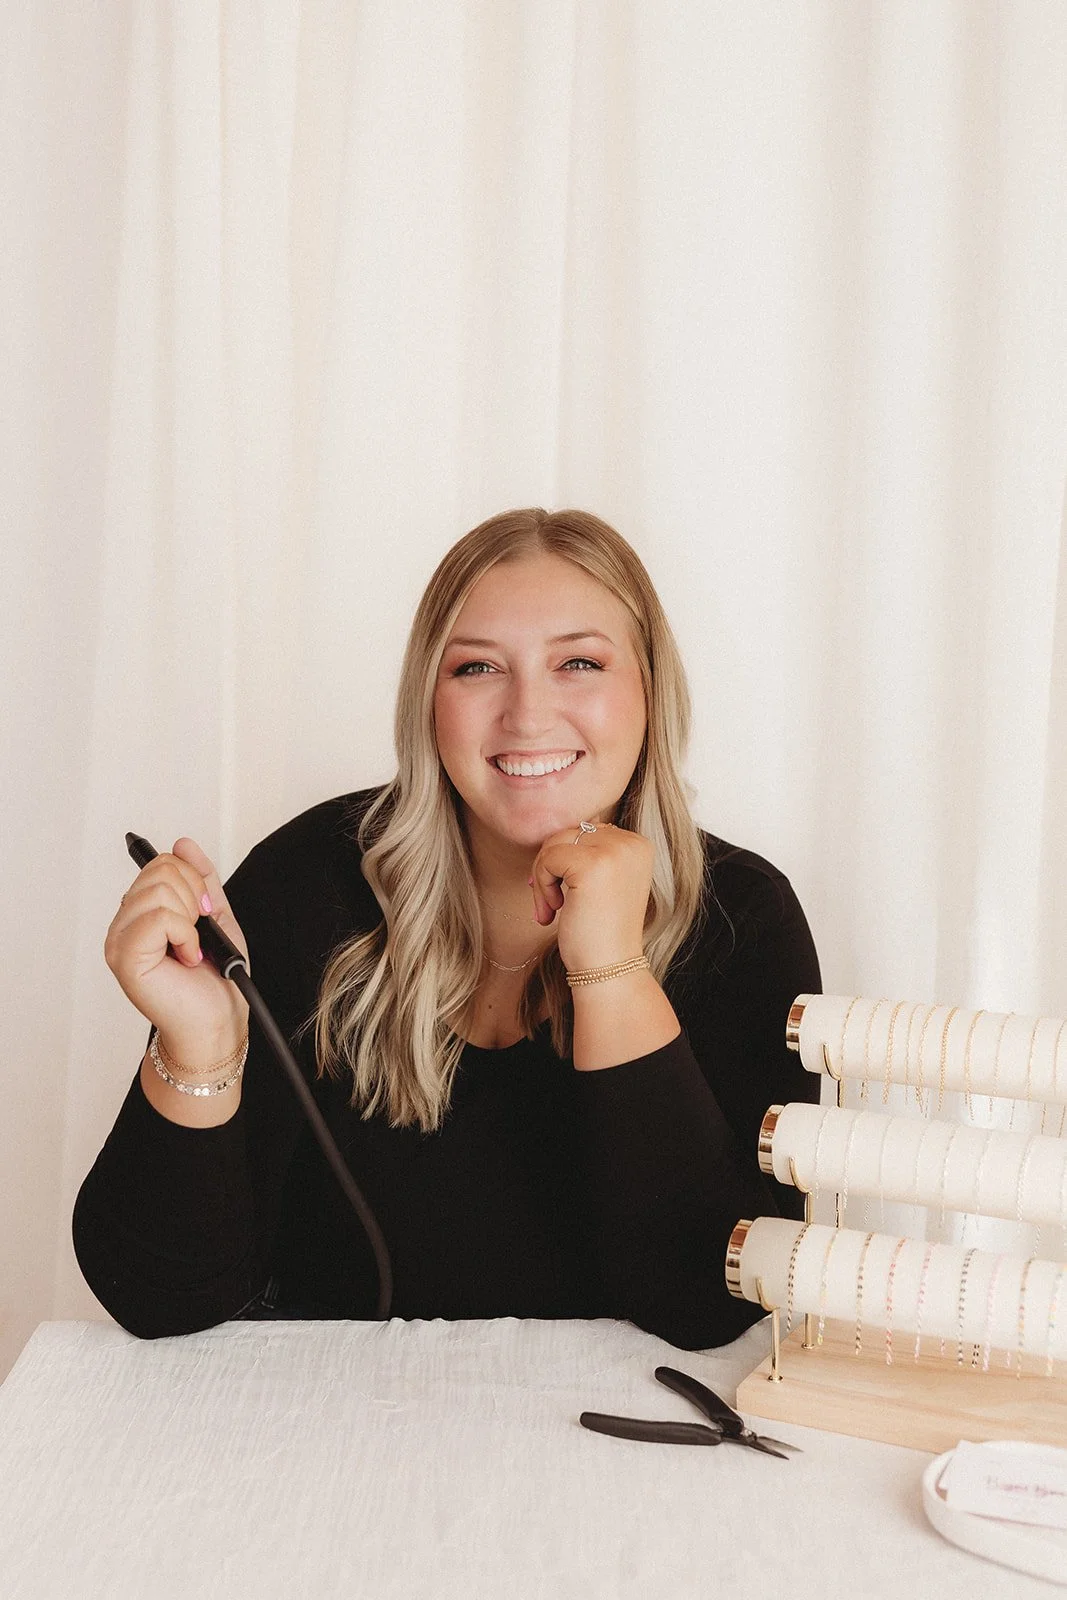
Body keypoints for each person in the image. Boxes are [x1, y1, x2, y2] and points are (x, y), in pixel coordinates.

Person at [74, 507, 820, 1349]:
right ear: (428, 702)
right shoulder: (306, 881)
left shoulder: (743, 919)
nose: (527, 716)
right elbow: (158, 1296)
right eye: (476, 669)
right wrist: (199, 1047)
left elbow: (707, 1305)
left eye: (578, 662)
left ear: (649, 689)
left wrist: (611, 968)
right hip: (328, 1443)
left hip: (619, 1458)